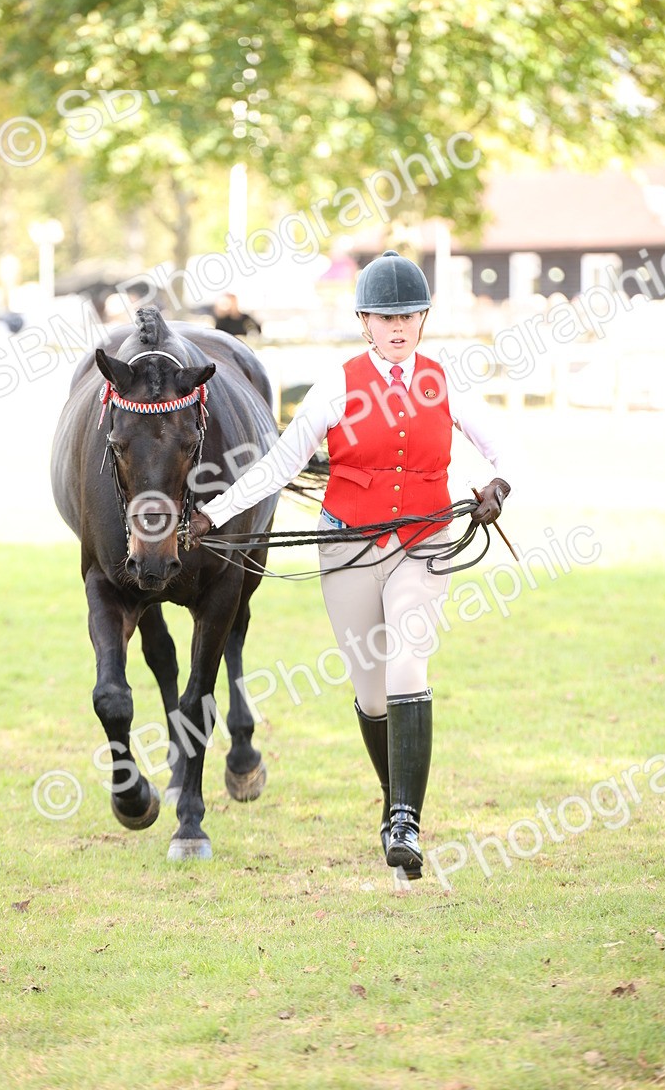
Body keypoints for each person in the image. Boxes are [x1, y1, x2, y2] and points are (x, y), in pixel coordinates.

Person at [189, 251, 512, 879]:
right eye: (384, 316)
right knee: (369, 691)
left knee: (408, 661)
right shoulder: (337, 384)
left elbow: (503, 447)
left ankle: (405, 824)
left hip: (424, 539)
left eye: (408, 316)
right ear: (365, 320)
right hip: (347, 545)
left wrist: (499, 486)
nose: (397, 327)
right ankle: (397, 802)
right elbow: (281, 465)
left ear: (423, 319)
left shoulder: (446, 381)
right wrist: (214, 514)